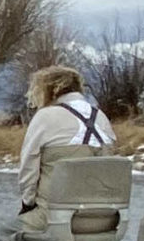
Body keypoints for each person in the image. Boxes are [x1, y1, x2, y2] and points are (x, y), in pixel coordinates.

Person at [15, 64, 113, 211]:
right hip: (103, 216)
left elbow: (28, 169)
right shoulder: (100, 116)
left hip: (57, 216)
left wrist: (28, 203)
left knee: (7, 231)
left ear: (50, 90)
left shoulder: (45, 116)